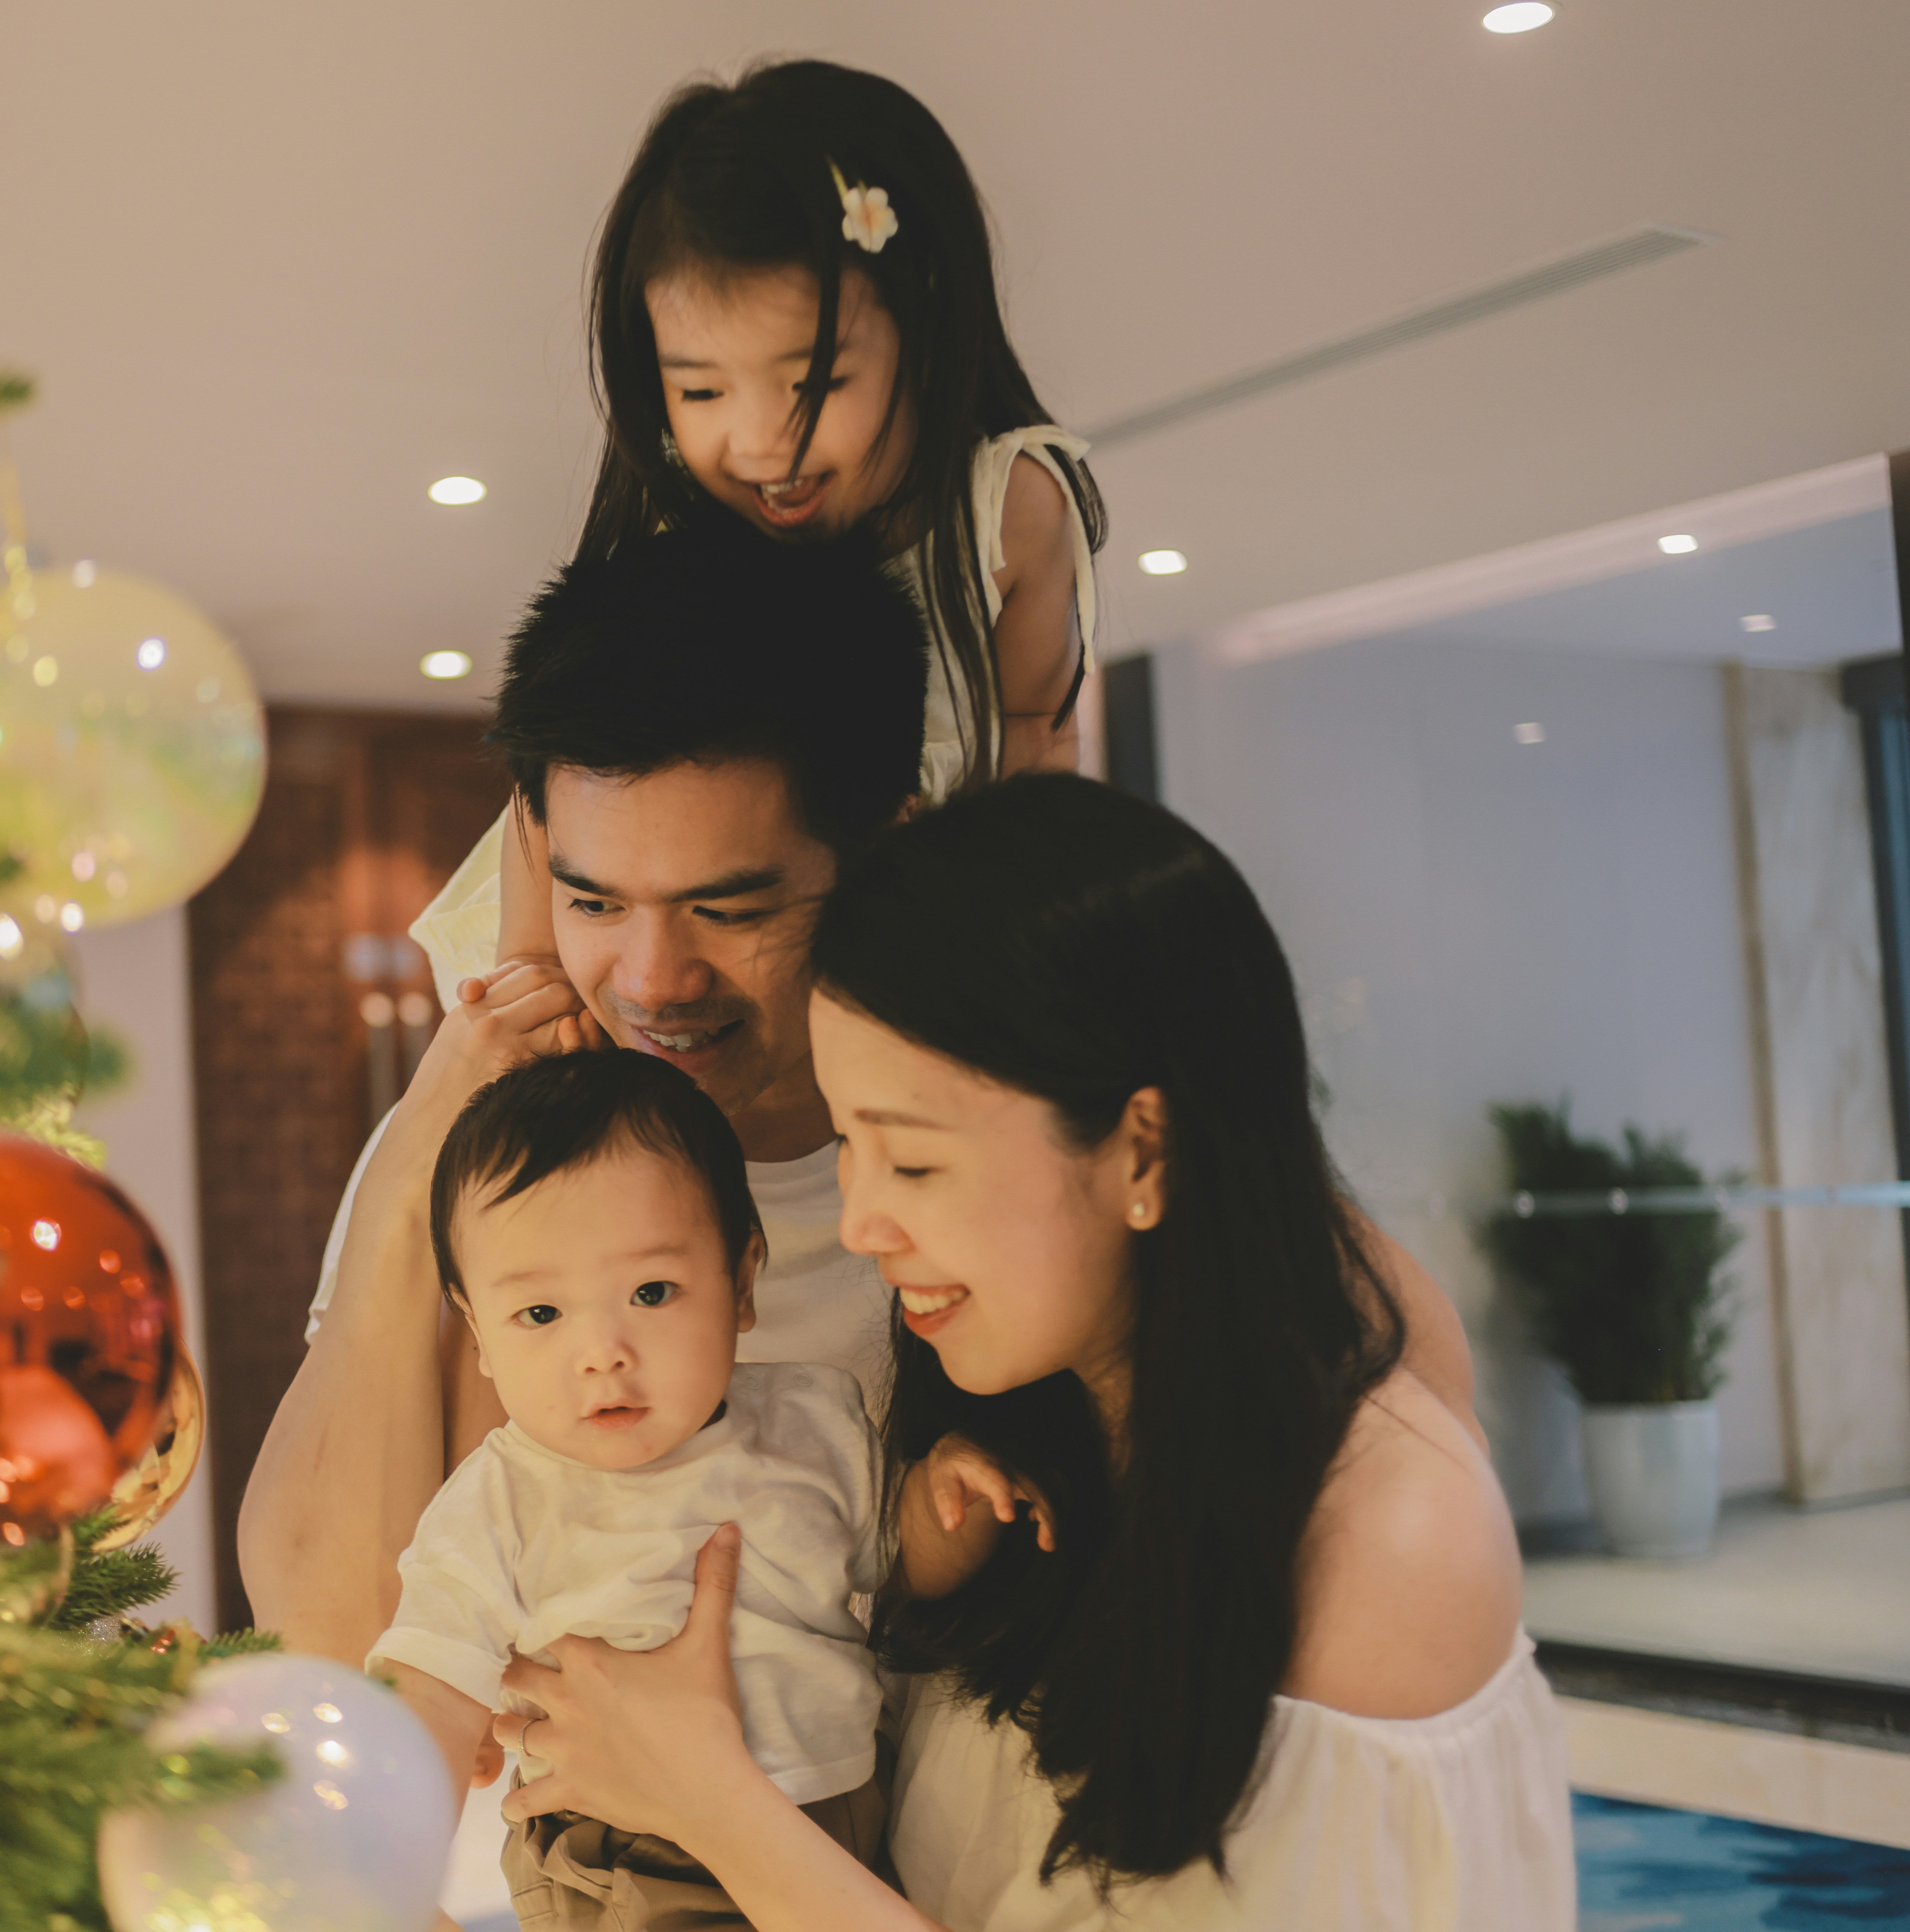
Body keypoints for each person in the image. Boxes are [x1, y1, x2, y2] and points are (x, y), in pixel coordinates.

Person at [484, 776, 1575, 1931]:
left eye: (911, 1163)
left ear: (1143, 1147)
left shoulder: (1379, 1538)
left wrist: (712, 1803)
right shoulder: (1033, 1439)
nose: (861, 1224)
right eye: (848, 1144)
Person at [238, 517, 937, 1668]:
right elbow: (328, 1638)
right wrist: (435, 1129)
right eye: (596, 903)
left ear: (882, 858)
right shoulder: (473, 1132)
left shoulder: (944, 1165)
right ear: (535, 847)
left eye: (732, 909)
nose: (653, 982)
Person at [413, 58, 1106, 1005]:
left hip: (904, 902)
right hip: (692, 915)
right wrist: (537, 976)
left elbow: (1033, 725)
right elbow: (564, 781)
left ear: (926, 325)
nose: (761, 444)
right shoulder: (679, 521)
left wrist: (1021, 927)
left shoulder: (1009, 506)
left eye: (813, 384)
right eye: (701, 390)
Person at [372, 1051, 903, 1929]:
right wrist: (389, 1854)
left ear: (740, 1282)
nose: (602, 1350)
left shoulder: (815, 1418)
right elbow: (428, 1678)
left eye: (651, 1291)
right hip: (619, 1847)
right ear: (477, 1331)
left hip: (839, 1816)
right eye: (540, 1314)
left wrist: (948, 1506)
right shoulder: (502, 1497)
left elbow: (902, 1554)